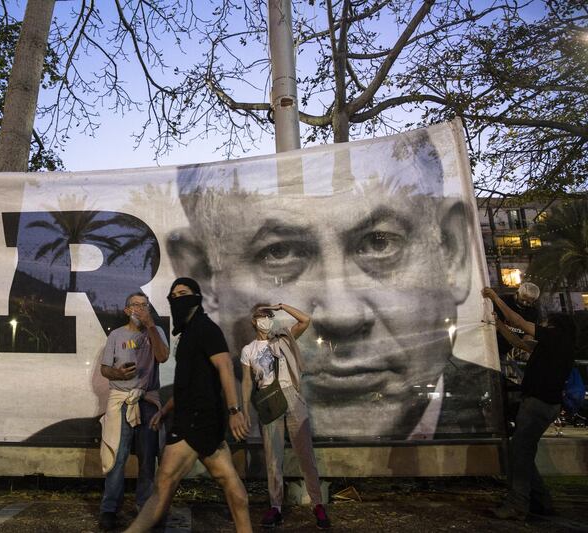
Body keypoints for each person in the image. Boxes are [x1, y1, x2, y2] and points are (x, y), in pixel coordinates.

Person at [167, 126, 501, 440]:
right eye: (278, 252)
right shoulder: (187, 408)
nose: (343, 315)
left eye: (379, 243)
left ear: (450, 251)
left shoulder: (490, 407)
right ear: (206, 275)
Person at [125, 278, 252, 533]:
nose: (177, 298)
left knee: (163, 487)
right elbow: (188, 386)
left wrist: (235, 411)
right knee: (229, 483)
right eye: (173, 295)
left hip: (195, 421)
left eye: (183, 293)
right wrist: (165, 410)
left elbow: (225, 367)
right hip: (199, 420)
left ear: (196, 298)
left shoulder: (206, 328)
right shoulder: (189, 334)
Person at [482, 287, 576, 519]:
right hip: (544, 404)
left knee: (520, 454)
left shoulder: (556, 338)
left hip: (538, 404)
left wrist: (495, 299)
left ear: (555, 326)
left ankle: (517, 504)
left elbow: (520, 322)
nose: (543, 324)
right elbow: (520, 343)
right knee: (522, 452)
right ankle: (541, 500)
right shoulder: (555, 345)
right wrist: (498, 326)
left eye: (547, 322)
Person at [240, 303, 331, 529]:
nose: (266, 318)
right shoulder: (249, 349)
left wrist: (281, 306)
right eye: (262, 315)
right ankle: (276, 507)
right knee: (273, 458)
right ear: (253, 320)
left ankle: (317, 504)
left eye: (269, 315)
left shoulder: (283, 337)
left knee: (305, 454)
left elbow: (305, 321)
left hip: (291, 396)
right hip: (269, 402)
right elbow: (247, 381)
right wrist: (243, 409)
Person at [98, 292, 168, 531]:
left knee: (148, 459)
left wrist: (150, 326)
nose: (139, 309)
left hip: (147, 401)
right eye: (135, 305)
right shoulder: (116, 335)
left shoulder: (156, 332)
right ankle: (109, 510)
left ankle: (145, 508)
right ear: (126, 309)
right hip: (120, 400)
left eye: (144, 305)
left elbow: (163, 356)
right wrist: (118, 373)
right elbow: (105, 369)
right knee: (117, 457)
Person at [495, 282, 540, 384]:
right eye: (523, 300)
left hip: (515, 347)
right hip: (498, 343)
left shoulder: (533, 312)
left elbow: (529, 334)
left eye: (529, 302)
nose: (524, 304)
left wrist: (526, 345)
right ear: (517, 293)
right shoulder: (503, 301)